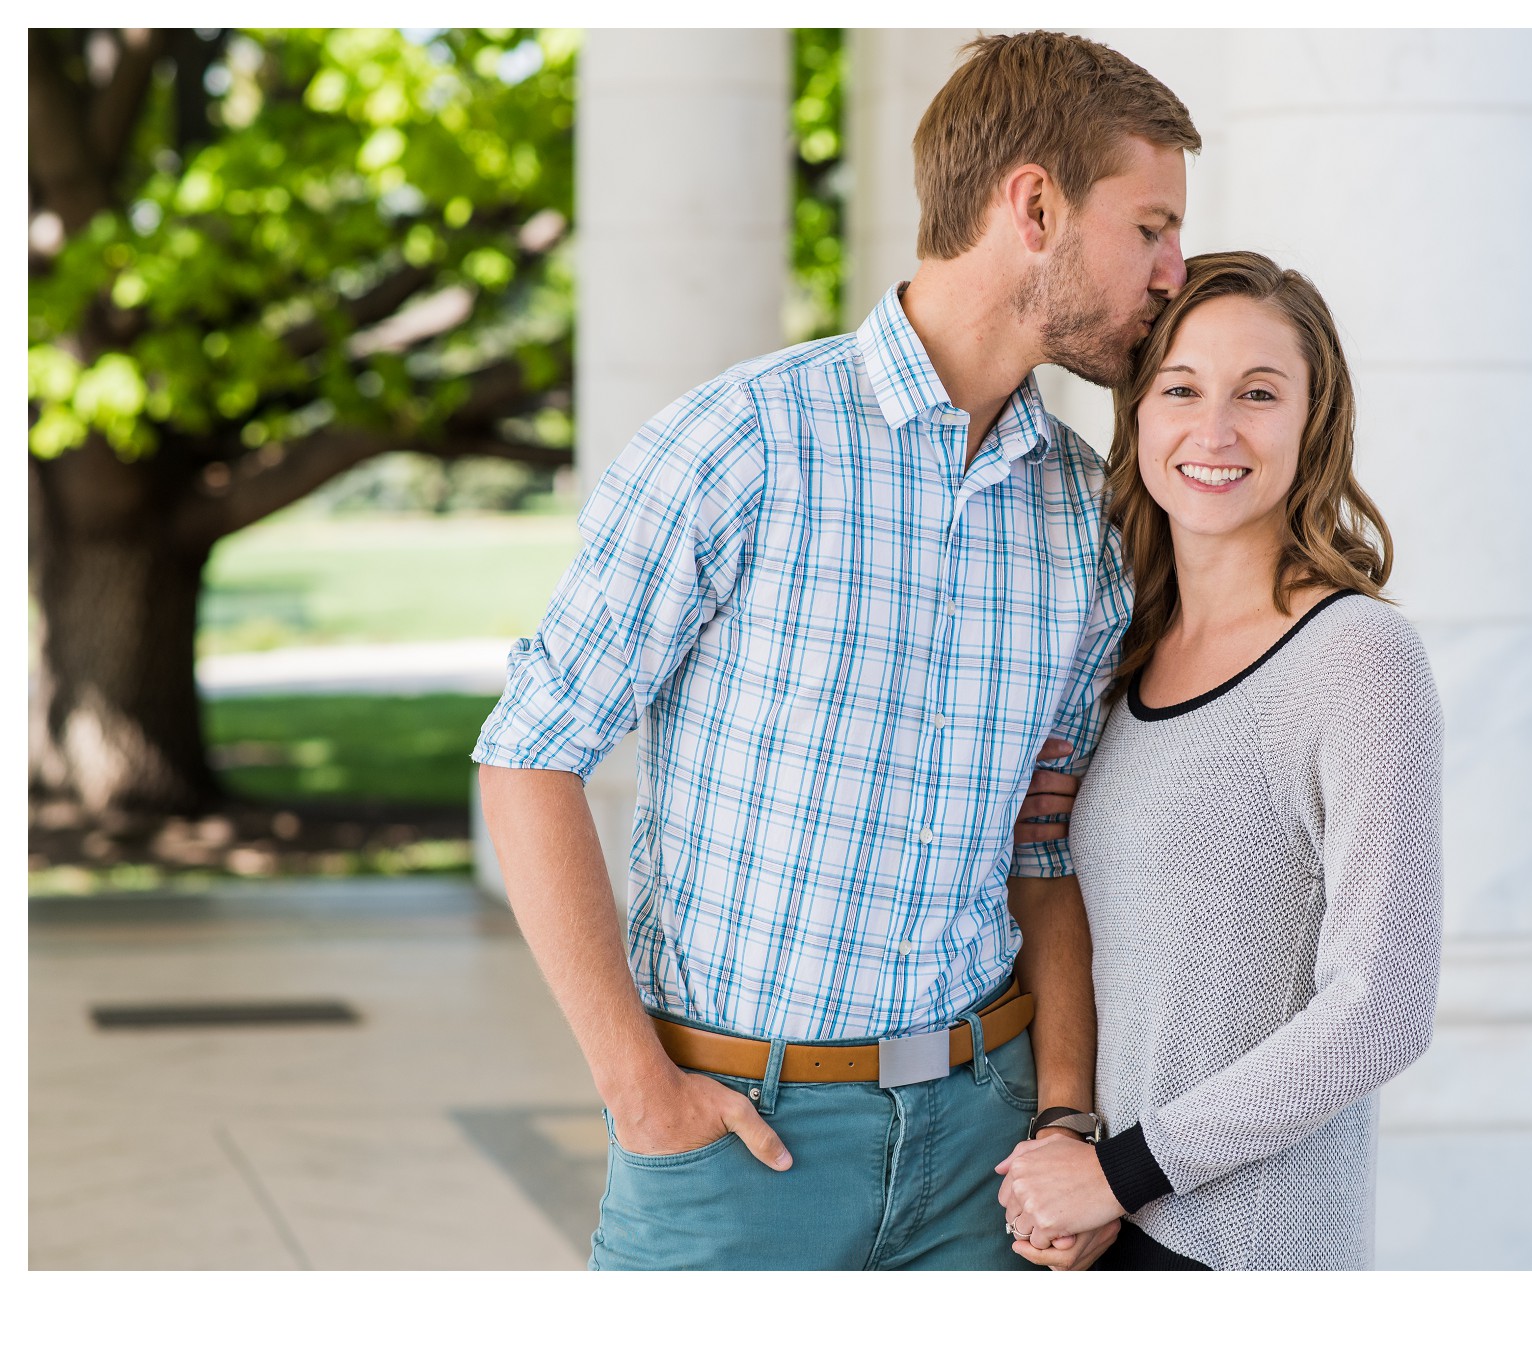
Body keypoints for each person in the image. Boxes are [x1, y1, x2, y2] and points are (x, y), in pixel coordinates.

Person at [471, 31, 1199, 1270]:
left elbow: (1041, 845)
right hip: (739, 1147)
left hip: (984, 1148)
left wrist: (1065, 1113)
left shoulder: (1086, 518)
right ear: (1035, 205)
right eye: (1151, 227)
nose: (1174, 272)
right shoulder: (739, 446)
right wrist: (641, 1092)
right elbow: (529, 759)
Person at [993, 251, 1445, 1271]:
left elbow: (1381, 1010)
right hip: (1101, 1225)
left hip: (1246, 1251)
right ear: (1140, 417)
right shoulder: (1121, 649)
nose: (1216, 430)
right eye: (1182, 388)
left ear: (1312, 422)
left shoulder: (1358, 657)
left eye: (1259, 393)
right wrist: (1081, 1154)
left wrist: (1125, 1171)